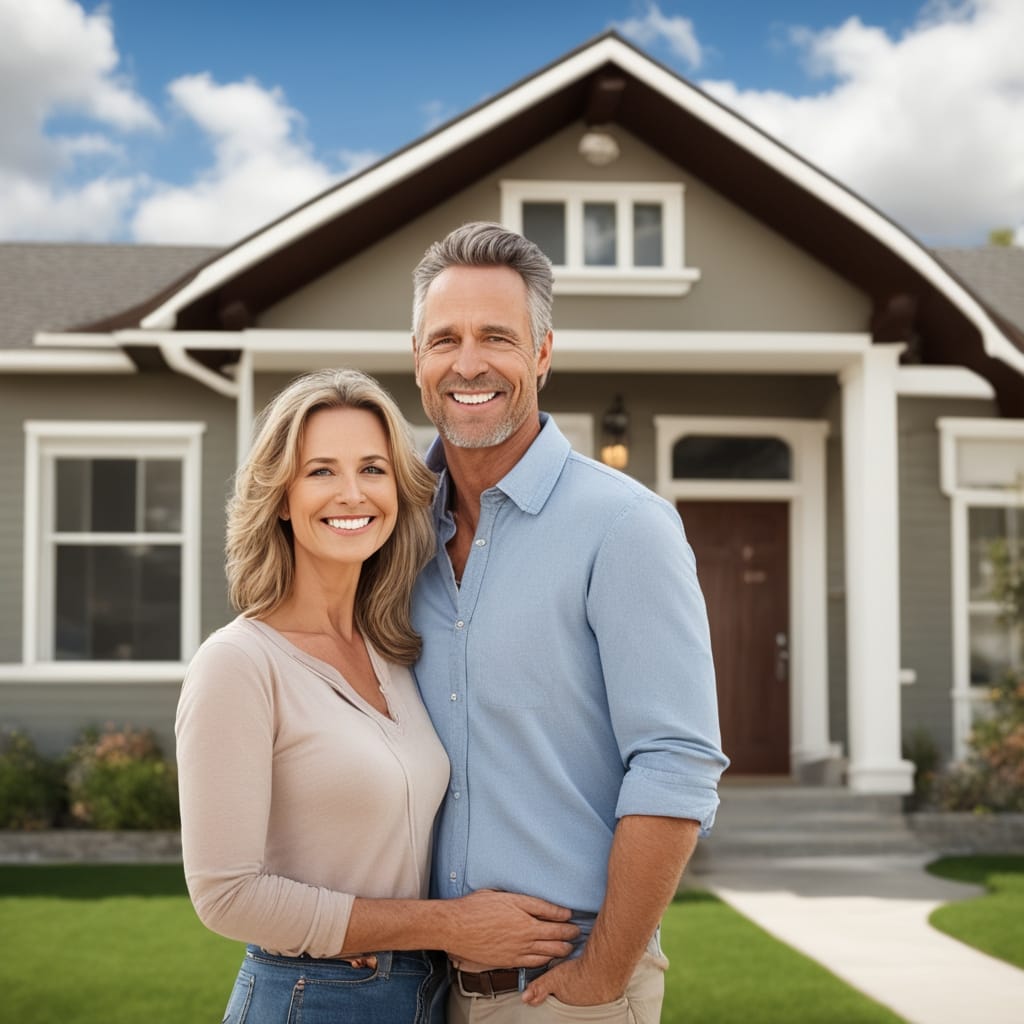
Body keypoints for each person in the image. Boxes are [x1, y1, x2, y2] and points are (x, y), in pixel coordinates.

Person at [175, 368, 578, 1024]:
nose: (352, 493)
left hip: (419, 995)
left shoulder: (392, 650)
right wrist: (447, 925)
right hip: (312, 998)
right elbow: (226, 895)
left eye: (372, 468)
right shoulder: (238, 664)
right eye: (321, 472)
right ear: (280, 497)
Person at [409, 224, 729, 1022]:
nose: (469, 363)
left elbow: (676, 763)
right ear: (417, 357)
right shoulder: (392, 528)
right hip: (411, 986)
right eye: (444, 338)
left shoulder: (625, 527)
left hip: (559, 992)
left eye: (497, 337)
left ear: (543, 353)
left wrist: (602, 975)